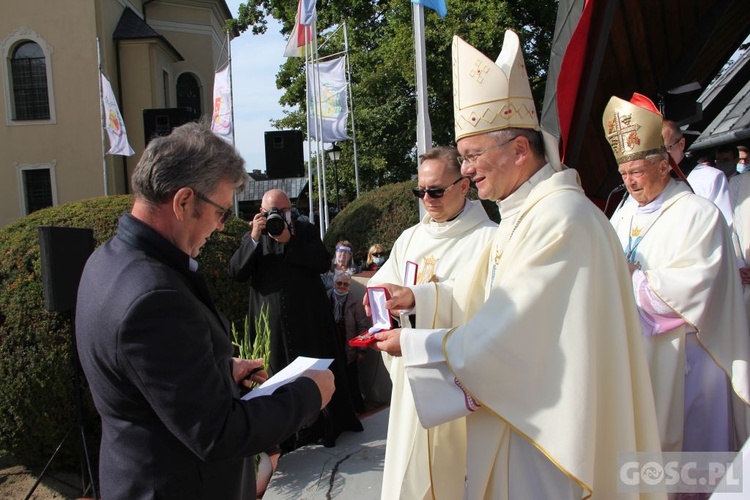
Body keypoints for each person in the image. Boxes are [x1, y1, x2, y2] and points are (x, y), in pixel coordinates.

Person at [372, 32, 662, 499]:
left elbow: (511, 334)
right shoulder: (523, 214)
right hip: (525, 418)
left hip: (553, 439)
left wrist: (415, 342)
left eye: (472, 156)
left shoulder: (560, 218)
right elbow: (491, 305)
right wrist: (426, 304)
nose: (465, 170)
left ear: (519, 151)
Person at [75, 122, 334, 500]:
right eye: (221, 213)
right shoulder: (152, 296)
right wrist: (310, 394)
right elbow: (217, 434)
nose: (220, 226)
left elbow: (143, 376)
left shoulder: (106, 260)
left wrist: (216, 368)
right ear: (183, 202)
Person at [605, 93, 750, 453]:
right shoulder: (621, 216)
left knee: (691, 461)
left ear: (665, 165)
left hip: (690, 361)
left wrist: (631, 278)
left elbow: (696, 287)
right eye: (624, 174)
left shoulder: (698, 214)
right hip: (636, 358)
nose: (630, 184)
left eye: (637, 172)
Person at [367, 145, 496, 500]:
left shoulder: (489, 239)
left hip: (458, 385)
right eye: (420, 191)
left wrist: (419, 297)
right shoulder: (411, 237)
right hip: (413, 379)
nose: (427, 199)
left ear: (464, 186)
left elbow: (486, 309)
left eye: (436, 191)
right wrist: (382, 301)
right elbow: (386, 283)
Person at [228, 189, 362, 447]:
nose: (278, 216)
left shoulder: (305, 230)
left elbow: (324, 263)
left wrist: (290, 240)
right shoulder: (254, 236)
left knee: (316, 371)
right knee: (277, 376)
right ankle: (287, 436)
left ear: (291, 209)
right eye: (271, 212)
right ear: (261, 212)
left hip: (309, 320)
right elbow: (236, 272)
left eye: (284, 210)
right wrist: (254, 238)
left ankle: (325, 426)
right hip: (272, 324)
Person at [664, 119, 733, 227]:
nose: (660, 156)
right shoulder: (648, 181)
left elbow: (724, 225)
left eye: (665, 149)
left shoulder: (710, 178)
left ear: (681, 144)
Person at [327, 270, 370, 413]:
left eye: (345, 284)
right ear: (334, 283)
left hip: (348, 349)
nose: (341, 286)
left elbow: (362, 326)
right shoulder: (327, 298)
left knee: (352, 381)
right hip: (332, 347)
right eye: (339, 283)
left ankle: (358, 409)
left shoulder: (355, 302)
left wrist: (362, 350)